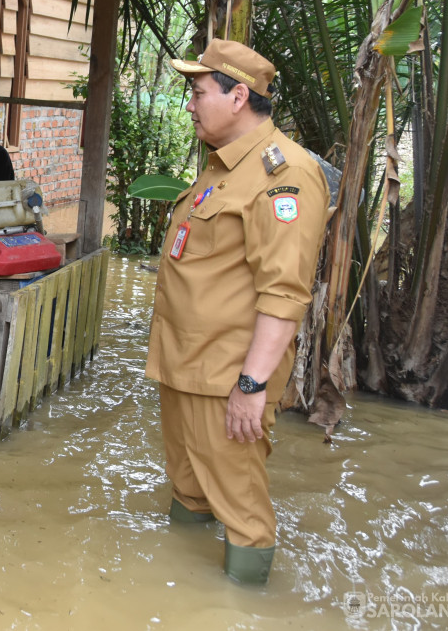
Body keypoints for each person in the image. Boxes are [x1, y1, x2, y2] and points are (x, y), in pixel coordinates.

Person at [146, 38, 331, 585]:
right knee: (187, 487)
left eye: (197, 92)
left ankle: (244, 606)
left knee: (241, 512)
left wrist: (251, 385)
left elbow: (284, 293)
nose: (189, 104)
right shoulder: (222, 166)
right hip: (185, 366)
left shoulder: (283, 176)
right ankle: (176, 596)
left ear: (238, 96)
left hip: (226, 378)